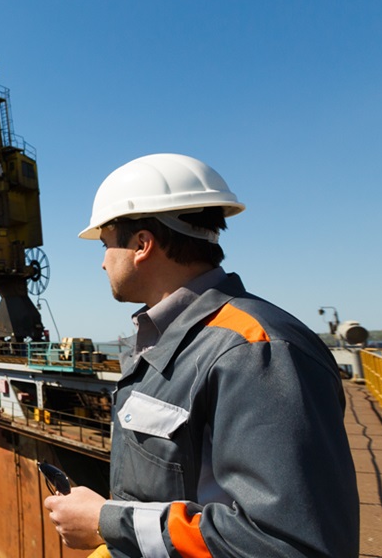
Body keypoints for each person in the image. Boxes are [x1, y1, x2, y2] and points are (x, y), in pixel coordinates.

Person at [44, 153, 358, 557]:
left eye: (105, 245)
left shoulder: (256, 351)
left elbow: (291, 544)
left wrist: (107, 522)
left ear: (141, 244)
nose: (102, 262)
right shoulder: (176, 340)